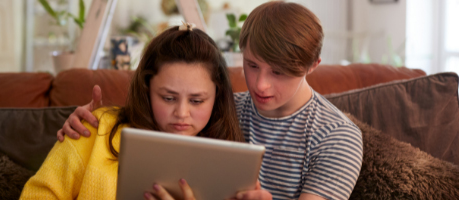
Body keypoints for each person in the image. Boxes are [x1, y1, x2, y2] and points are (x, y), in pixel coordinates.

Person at [58, 2, 364, 200]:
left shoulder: (337, 137)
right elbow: (151, 120)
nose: (261, 84)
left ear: (313, 65)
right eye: (252, 65)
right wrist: (91, 126)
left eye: (280, 73)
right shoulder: (217, 107)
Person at [20, 24, 244, 199]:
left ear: (217, 96)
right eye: (168, 98)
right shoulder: (95, 128)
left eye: (197, 100)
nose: (182, 113)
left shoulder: (227, 161)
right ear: (147, 89)